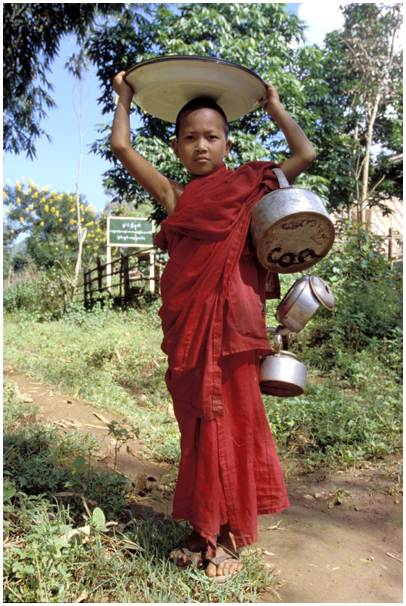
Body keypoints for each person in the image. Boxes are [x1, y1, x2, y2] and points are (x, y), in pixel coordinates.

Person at [111, 69, 316, 581]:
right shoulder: (177, 198)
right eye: (190, 138)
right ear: (177, 147)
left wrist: (273, 106)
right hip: (190, 330)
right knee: (199, 426)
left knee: (236, 424)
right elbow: (121, 145)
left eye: (211, 136)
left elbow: (305, 155)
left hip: (237, 328)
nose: (201, 146)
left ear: (227, 142)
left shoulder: (252, 185)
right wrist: (125, 96)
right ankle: (203, 525)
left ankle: (227, 536)